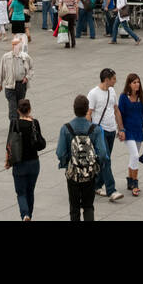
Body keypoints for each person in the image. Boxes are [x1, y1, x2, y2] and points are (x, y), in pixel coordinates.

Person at [56, 93, 108, 222]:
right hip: (89, 174)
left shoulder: (66, 128)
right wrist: (95, 164)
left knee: (74, 207)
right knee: (88, 206)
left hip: (73, 173)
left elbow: (60, 152)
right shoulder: (94, 129)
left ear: (74, 109)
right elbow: (102, 153)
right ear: (87, 109)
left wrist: (67, 162)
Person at [87, 67, 124, 201]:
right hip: (99, 131)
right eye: (114, 78)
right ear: (107, 80)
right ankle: (111, 190)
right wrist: (89, 132)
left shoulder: (112, 91)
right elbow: (88, 114)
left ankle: (95, 185)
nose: (115, 81)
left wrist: (121, 129)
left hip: (111, 130)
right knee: (106, 159)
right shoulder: (93, 94)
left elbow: (116, 110)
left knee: (103, 160)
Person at [7, 98, 45, 221]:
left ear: (18, 110)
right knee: (30, 191)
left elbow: (9, 144)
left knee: (21, 193)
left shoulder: (14, 123)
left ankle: (25, 215)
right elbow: (41, 144)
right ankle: (30, 215)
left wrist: (7, 161)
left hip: (19, 163)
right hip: (34, 163)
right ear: (29, 109)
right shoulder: (35, 123)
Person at [117, 73, 143, 196]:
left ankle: (129, 180)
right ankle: (135, 183)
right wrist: (121, 130)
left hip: (138, 131)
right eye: (134, 82)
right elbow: (119, 114)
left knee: (133, 156)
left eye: (138, 82)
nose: (137, 84)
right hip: (128, 131)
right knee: (135, 155)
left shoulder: (141, 98)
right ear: (129, 84)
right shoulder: (123, 98)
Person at [0, 36, 32, 122]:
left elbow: (31, 69)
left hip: (21, 85)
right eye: (13, 44)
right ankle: (13, 125)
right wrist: (0, 83)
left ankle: (19, 123)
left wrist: (27, 78)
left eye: (16, 44)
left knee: (21, 106)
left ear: (20, 45)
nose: (14, 46)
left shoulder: (25, 57)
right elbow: (1, 70)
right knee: (12, 107)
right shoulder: (6, 57)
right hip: (10, 86)